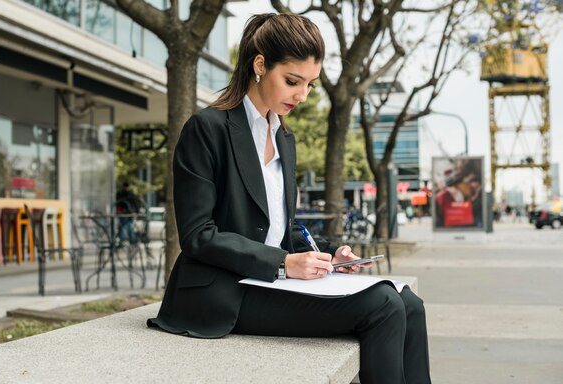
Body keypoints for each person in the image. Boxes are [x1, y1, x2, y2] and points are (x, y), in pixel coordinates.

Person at [147, 13, 431, 384]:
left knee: (410, 302)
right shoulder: (208, 129)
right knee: (382, 305)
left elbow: (279, 227)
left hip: (268, 283)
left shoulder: (283, 136)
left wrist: (329, 255)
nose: (302, 95)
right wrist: (284, 263)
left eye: (311, 85)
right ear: (260, 65)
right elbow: (199, 235)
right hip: (221, 291)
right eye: (293, 81)